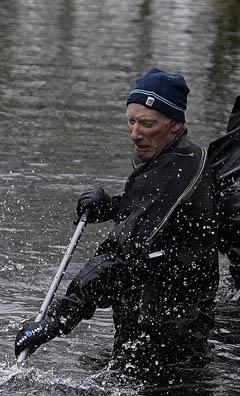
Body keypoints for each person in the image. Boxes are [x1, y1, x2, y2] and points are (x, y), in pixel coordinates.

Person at [14, 68, 223, 378]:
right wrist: (112, 206)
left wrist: (57, 319)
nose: (135, 133)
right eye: (131, 121)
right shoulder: (169, 159)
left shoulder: (179, 171)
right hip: (148, 324)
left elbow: (122, 257)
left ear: (175, 124)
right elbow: (155, 217)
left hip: (168, 346)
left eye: (148, 124)